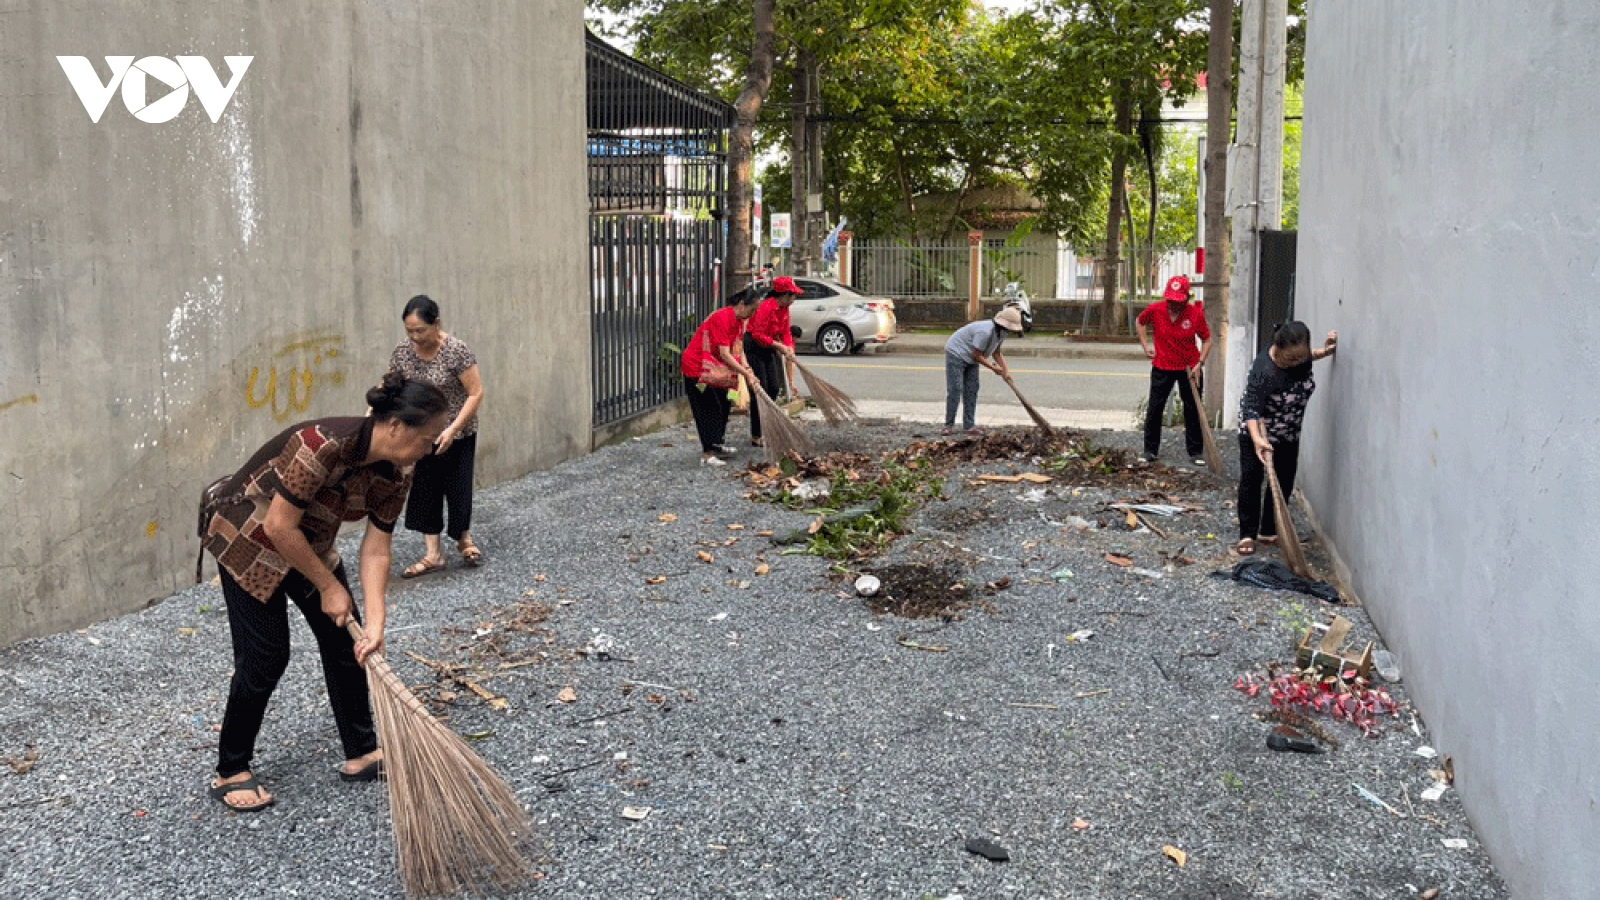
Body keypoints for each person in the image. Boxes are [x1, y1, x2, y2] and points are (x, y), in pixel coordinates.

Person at [200, 373, 450, 811]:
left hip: (305, 541)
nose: (431, 447)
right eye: (428, 437)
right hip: (247, 534)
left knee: (345, 642)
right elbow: (277, 526)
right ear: (396, 427)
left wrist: (375, 621)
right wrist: (328, 585)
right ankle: (230, 768)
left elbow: (376, 549)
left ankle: (361, 751)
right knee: (266, 655)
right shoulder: (319, 445)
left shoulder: (400, 471)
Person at [390, 295, 486, 578]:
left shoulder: (457, 351)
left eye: (420, 330)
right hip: (420, 435)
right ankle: (433, 554)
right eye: (409, 331)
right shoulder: (403, 353)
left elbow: (475, 392)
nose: (415, 337)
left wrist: (453, 429)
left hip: (458, 431)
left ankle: (463, 539)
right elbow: (391, 384)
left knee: (458, 487)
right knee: (424, 489)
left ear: (437, 324)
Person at [1235, 322, 1339, 556]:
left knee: (1283, 480)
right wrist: (1258, 440)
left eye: (1300, 358)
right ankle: (1247, 534)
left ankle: (1269, 530)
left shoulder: (1301, 359)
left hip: (1289, 432)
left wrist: (1326, 351)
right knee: (1252, 479)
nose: (1296, 363)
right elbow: (1252, 409)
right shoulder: (1264, 369)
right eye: (1290, 359)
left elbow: (1309, 356)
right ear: (1277, 348)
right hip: (1258, 431)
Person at [1136, 274, 1212, 465]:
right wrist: (1146, 346)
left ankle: (1195, 452)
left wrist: (1199, 364)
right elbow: (1140, 321)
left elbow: (1207, 340)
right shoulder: (1156, 309)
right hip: (1162, 365)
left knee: (1193, 408)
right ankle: (1150, 450)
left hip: (1189, 367)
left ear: (1186, 298)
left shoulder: (1195, 314)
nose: (1173, 304)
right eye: (1170, 300)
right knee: (1155, 408)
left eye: (1178, 301)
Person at [681, 290, 762, 466]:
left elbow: (738, 349)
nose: (753, 314)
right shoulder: (723, 318)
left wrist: (748, 370)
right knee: (709, 408)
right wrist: (745, 373)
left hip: (714, 370)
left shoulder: (739, 321)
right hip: (698, 368)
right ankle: (707, 454)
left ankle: (717, 444)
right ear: (742, 305)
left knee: (724, 405)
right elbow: (725, 354)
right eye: (752, 309)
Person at [943, 306, 1027, 436]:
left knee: (972, 388)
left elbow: (996, 352)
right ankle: (948, 425)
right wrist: (993, 368)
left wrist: (1006, 371)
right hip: (957, 353)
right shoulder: (985, 332)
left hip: (972, 357)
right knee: (956, 389)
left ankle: (969, 425)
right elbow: (976, 355)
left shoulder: (1001, 334)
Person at [742, 275, 805, 447]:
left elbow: (785, 331)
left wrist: (789, 347)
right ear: (783, 295)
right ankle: (757, 434)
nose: (794, 299)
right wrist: (779, 346)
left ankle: (768, 425)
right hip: (754, 346)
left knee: (774, 387)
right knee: (760, 389)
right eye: (792, 295)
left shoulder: (784, 310)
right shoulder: (765, 308)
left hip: (769, 345)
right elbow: (757, 335)